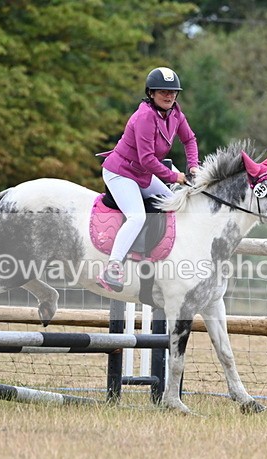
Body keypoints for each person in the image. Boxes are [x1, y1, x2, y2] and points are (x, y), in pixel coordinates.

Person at [96, 66, 200, 292]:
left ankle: (156, 256)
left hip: (142, 174)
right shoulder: (144, 116)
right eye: (163, 91)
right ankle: (112, 268)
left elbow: (190, 140)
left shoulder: (175, 114)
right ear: (151, 93)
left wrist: (193, 166)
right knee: (136, 216)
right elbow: (147, 159)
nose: (169, 96)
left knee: (174, 203)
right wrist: (175, 176)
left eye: (172, 92)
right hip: (120, 172)